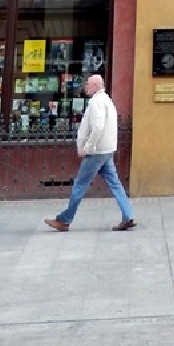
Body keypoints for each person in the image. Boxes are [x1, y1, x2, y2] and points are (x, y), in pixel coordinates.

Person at [44, 73, 135, 232]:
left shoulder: (96, 102)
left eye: (88, 84)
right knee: (115, 183)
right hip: (107, 150)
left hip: (96, 152)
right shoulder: (107, 100)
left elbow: (98, 127)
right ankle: (128, 215)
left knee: (79, 185)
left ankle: (64, 220)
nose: (86, 86)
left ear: (96, 86)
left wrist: (88, 148)